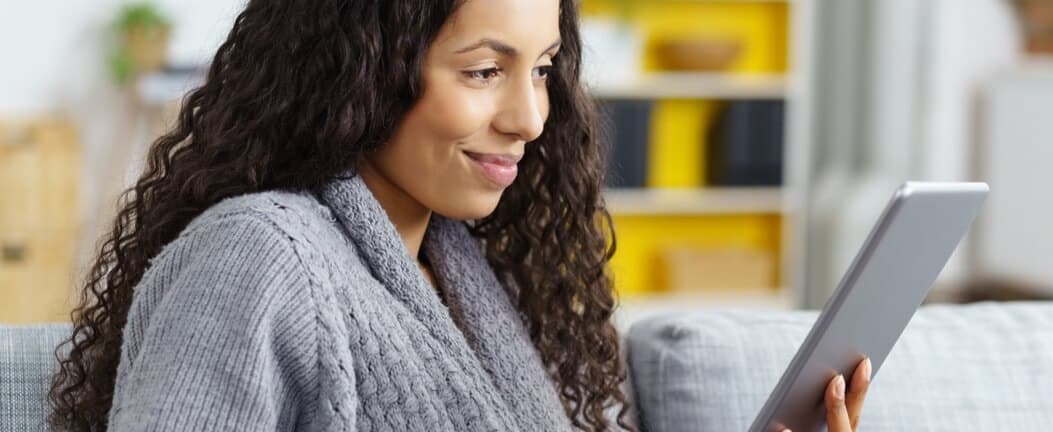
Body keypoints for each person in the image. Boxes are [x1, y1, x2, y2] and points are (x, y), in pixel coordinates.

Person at [48, 0, 871, 430]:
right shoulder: (256, 257)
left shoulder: (465, 266)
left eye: (544, 69)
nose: (531, 117)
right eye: (483, 71)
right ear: (360, 73)